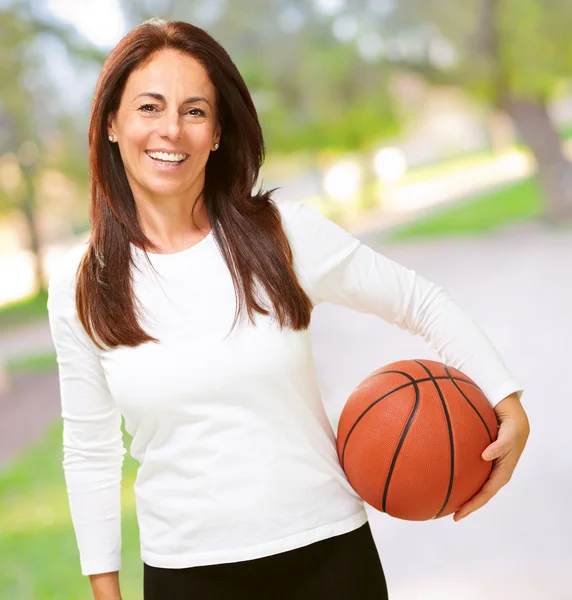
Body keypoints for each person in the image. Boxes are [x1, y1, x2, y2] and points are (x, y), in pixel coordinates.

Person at [46, 18, 530, 600]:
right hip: (186, 576)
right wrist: (106, 591)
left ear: (219, 132)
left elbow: (416, 299)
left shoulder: (279, 235)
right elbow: (90, 449)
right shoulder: (83, 283)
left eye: (195, 111)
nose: (171, 129)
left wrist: (505, 399)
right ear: (110, 125)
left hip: (328, 558)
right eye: (149, 107)